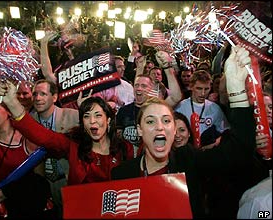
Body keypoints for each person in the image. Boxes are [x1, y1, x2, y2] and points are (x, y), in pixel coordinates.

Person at [111, 45, 267, 218]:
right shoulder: (122, 174)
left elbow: (240, 151)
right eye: (150, 121)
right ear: (139, 130)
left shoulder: (188, 160)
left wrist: (237, 88)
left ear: (173, 129)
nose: (160, 127)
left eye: (166, 120)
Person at [0, 83, 135, 186]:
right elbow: (43, 137)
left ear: (108, 120)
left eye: (98, 115)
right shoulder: (73, 144)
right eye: (87, 116)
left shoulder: (124, 148)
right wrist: (12, 103)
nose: (92, 121)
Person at [0, 93, 51, 219]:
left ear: (9, 111)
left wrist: (6, 193)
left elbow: (40, 184)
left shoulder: (28, 141)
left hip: (24, 210)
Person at [29, 79, 79, 219]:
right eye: (35, 94)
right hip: (43, 187)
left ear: (55, 97)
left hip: (69, 182)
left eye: (43, 94)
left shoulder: (73, 116)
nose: (38, 98)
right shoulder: (28, 122)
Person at [174, 69, 230, 150]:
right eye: (199, 88)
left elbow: (225, 133)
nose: (203, 93)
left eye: (206, 89)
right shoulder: (180, 107)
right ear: (191, 87)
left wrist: (214, 144)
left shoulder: (215, 109)